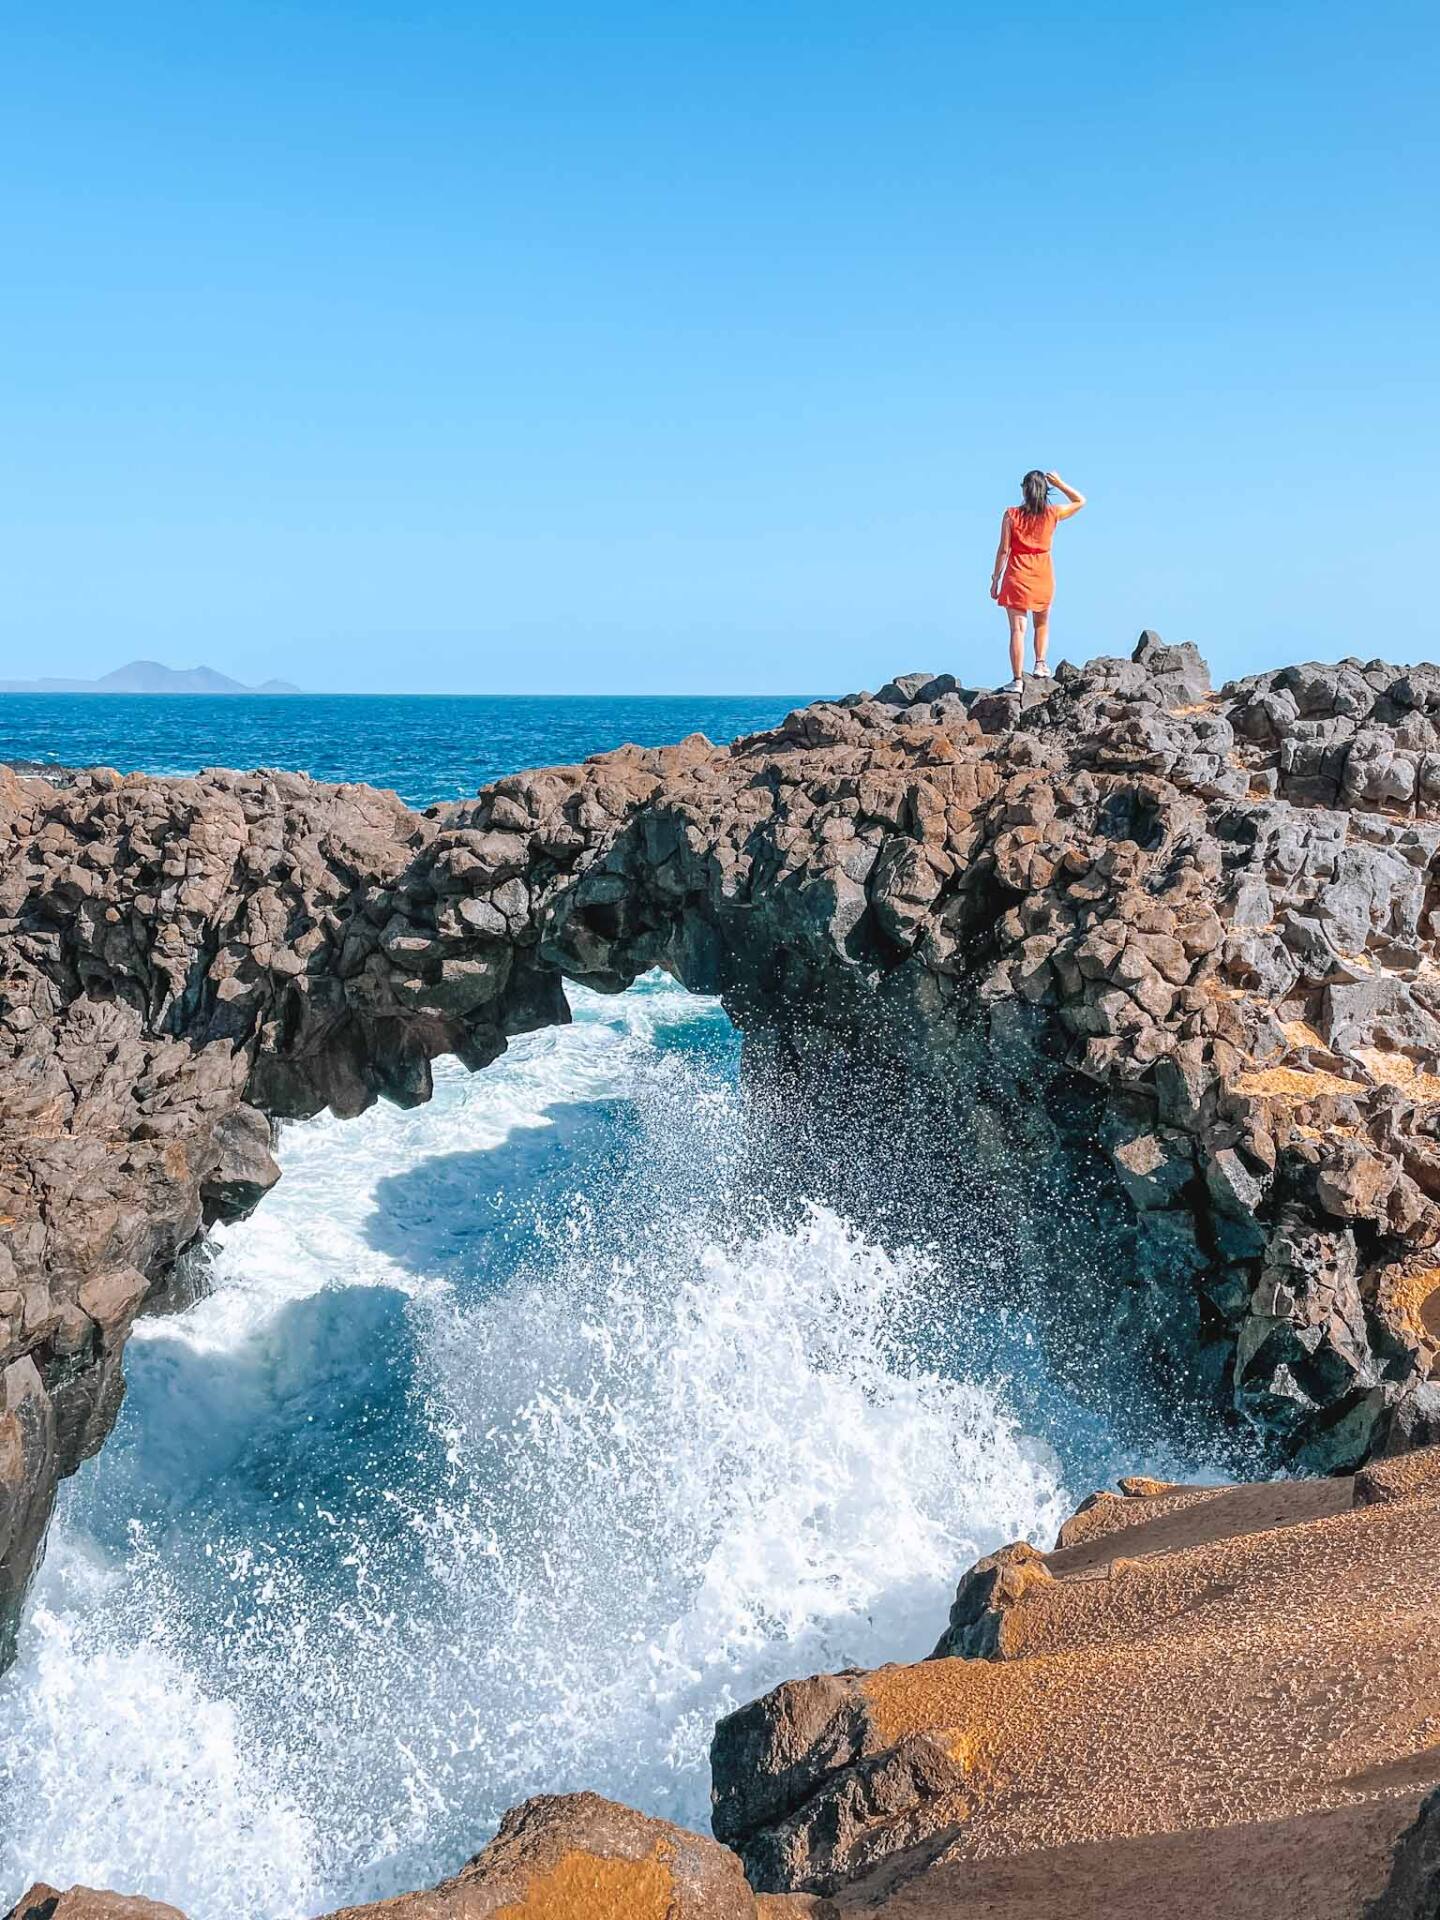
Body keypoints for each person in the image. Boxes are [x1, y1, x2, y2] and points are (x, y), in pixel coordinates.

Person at [990, 469, 1086, 693]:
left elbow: (1003, 550)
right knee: (1041, 623)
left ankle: (1017, 681)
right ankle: (1040, 664)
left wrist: (995, 579)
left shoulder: (1011, 515)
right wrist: (1061, 483)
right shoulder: (1052, 513)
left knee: (1017, 630)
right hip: (1042, 573)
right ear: (1045, 491)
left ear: (1024, 489)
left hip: (1017, 574)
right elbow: (1080, 501)